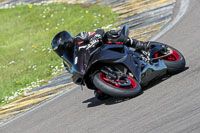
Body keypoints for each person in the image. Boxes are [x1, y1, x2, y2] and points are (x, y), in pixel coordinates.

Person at [52, 28, 150, 58]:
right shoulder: (68, 63)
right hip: (94, 65)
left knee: (111, 34)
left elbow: (98, 32)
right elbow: (76, 77)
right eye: (60, 50)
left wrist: (96, 38)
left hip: (104, 50)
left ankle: (141, 45)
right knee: (100, 95)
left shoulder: (79, 38)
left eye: (64, 47)